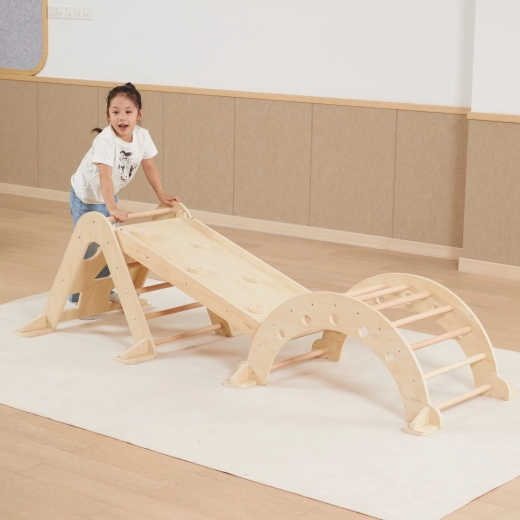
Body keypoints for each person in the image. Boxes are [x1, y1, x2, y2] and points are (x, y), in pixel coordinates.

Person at [69, 82, 179, 305]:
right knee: (90, 250)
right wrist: (112, 208)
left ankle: (103, 290)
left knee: (112, 247)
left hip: (109, 197)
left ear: (139, 115)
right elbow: (104, 177)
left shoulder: (142, 136)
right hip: (87, 198)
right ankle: (78, 296)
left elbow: (149, 166)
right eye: (116, 112)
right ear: (108, 115)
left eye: (128, 112)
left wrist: (161, 194)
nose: (122, 118)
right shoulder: (105, 141)